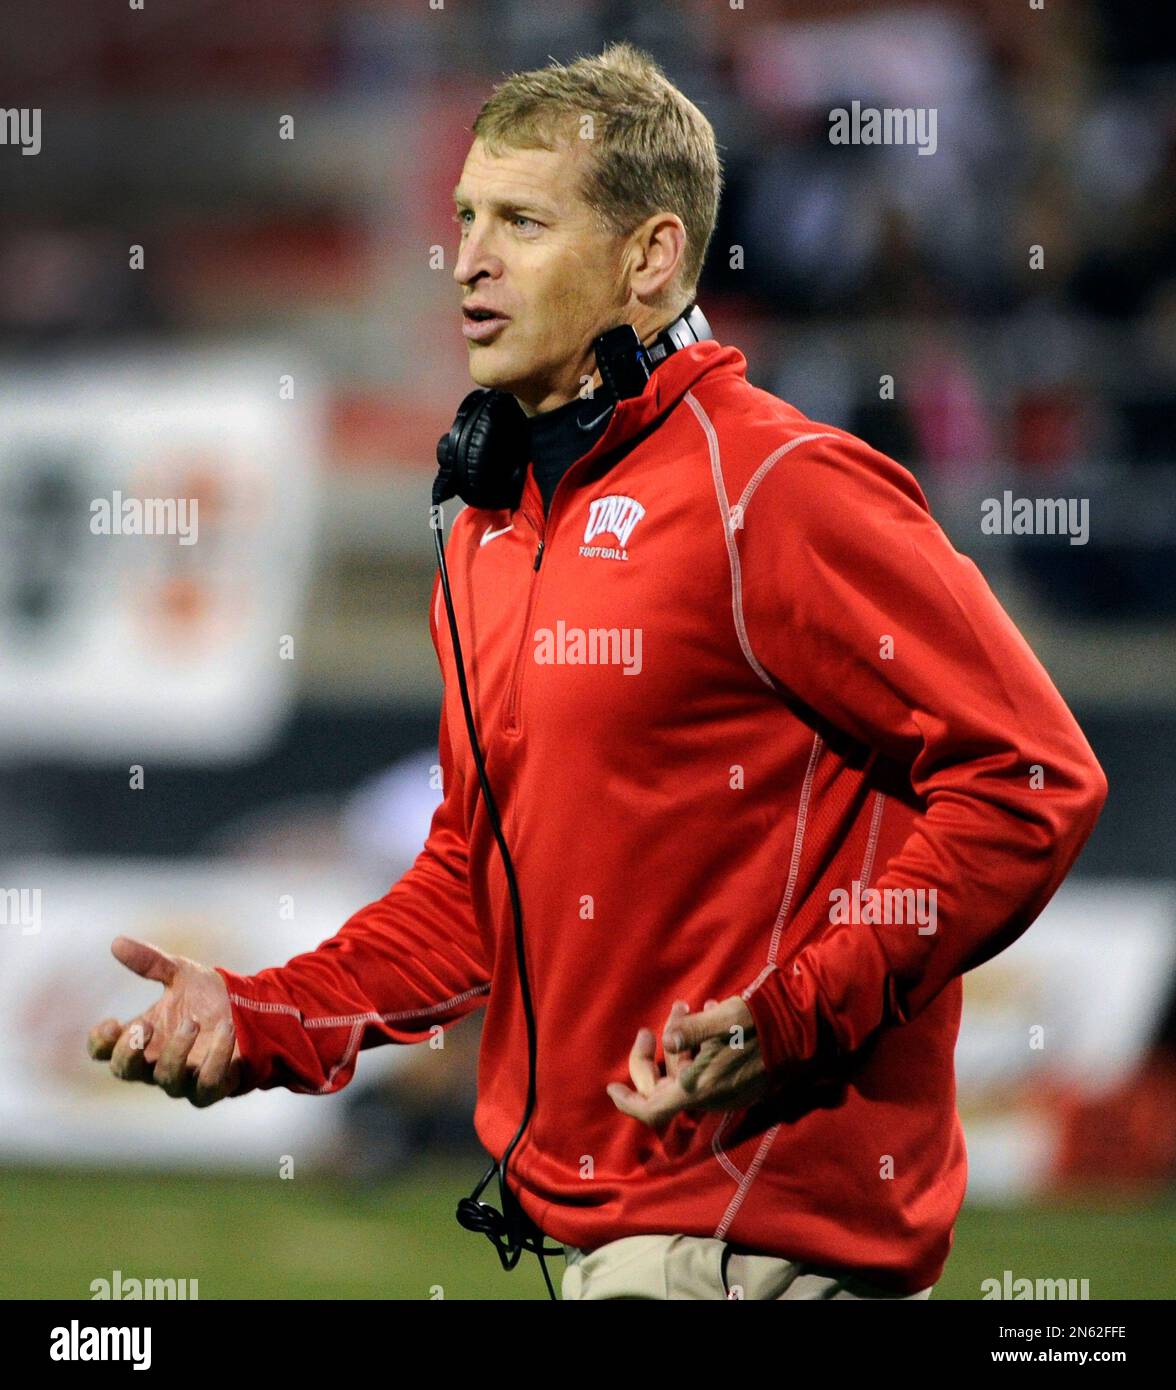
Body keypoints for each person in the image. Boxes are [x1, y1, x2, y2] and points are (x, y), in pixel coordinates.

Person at [89, 42, 1107, 1301]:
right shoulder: (488, 529)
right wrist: (263, 1019)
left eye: (522, 220)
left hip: (751, 1248)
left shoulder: (778, 490)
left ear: (651, 257)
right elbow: (473, 884)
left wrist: (801, 1009)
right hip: (612, 1249)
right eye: (464, 215)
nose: (468, 256)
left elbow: (1032, 774)